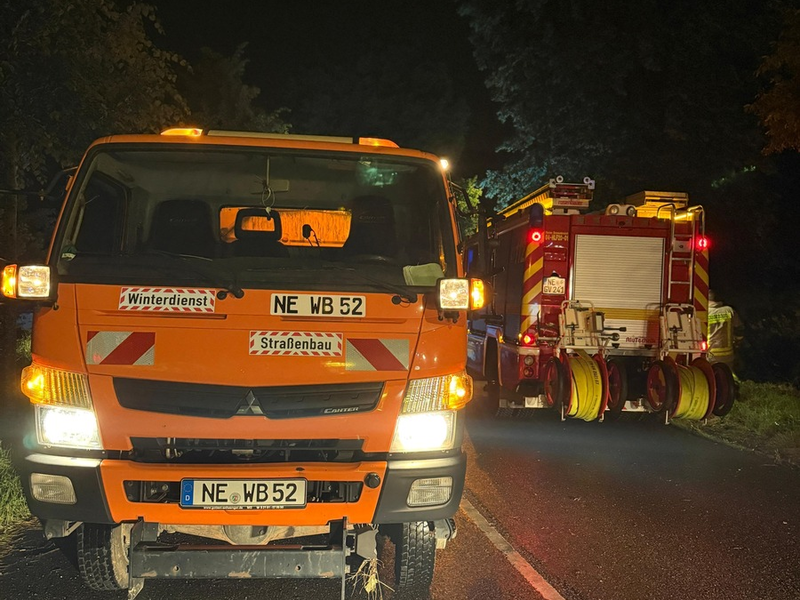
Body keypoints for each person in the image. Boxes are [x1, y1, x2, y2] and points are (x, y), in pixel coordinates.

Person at [707, 289, 743, 377]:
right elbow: (739, 329)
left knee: (710, 378)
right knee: (727, 378)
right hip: (727, 354)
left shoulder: (705, 312)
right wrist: (737, 343)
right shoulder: (729, 311)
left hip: (709, 354)